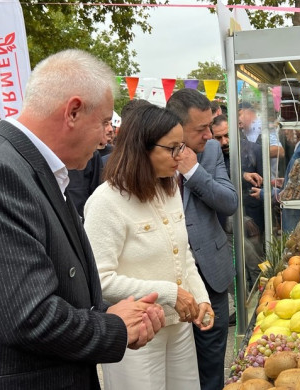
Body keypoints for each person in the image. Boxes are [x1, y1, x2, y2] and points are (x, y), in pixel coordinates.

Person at [0, 49, 165, 389]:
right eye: (103, 122)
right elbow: (27, 316)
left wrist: (115, 318)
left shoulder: (25, 166)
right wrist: (115, 328)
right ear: (73, 111)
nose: (104, 139)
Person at [84, 104, 213, 390]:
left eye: (181, 146)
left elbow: (183, 254)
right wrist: (170, 293)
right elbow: (99, 279)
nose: (181, 156)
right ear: (141, 148)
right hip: (135, 333)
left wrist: (200, 297)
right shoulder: (107, 202)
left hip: (177, 324)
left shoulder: (168, 187)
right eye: (172, 149)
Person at [166, 89, 238, 390]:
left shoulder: (208, 152)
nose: (210, 135)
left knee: (211, 365)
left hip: (210, 274)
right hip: (170, 282)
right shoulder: (150, 154)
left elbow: (228, 201)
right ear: (176, 125)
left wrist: (193, 171)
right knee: (175, 367)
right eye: (201, 129)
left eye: (211, 126)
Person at [211, 114, 266, 289]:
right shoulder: (211, 155)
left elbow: (262, 187)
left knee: (258, 265)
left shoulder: (254, 150)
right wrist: (241, 176)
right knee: (234, 269)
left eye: (227, 135)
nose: (224, 142)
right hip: (225, 224)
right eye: (218, 138)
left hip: (254, 221)